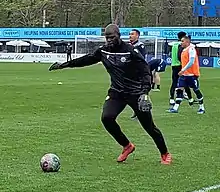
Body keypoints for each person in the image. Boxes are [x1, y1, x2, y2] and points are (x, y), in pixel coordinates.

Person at [49, 24, 172, 165]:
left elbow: (145, 71)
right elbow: (86, 59)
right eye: (107, 38)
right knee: (107, 118)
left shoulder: (130, 51)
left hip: (136, 92)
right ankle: (127, 146)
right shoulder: (103, 51)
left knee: (149, 126)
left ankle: (164, 153)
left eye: (112, 37)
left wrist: (144, 93)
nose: (109, 40)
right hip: (117, 92)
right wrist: (64, 65)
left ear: (119, 36)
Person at [168, 35, 205, 114]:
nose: (181, 43)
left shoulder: (191, 49)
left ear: (187, 42)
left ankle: (202, 107)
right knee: (180, 89)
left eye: (182, 41)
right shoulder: (184, 50)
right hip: (184, 74)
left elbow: (191, 62)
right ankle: (175, 108)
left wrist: (183, 70)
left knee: (196, 90)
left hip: (192, 74)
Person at [169, 32, 194, 106]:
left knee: (174, 82)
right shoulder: (180, 45)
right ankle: (190, 98)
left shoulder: (174, 45)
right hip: (179, 66)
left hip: (174, 65)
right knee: (184, 82)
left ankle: (171, 98)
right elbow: (179, 55)